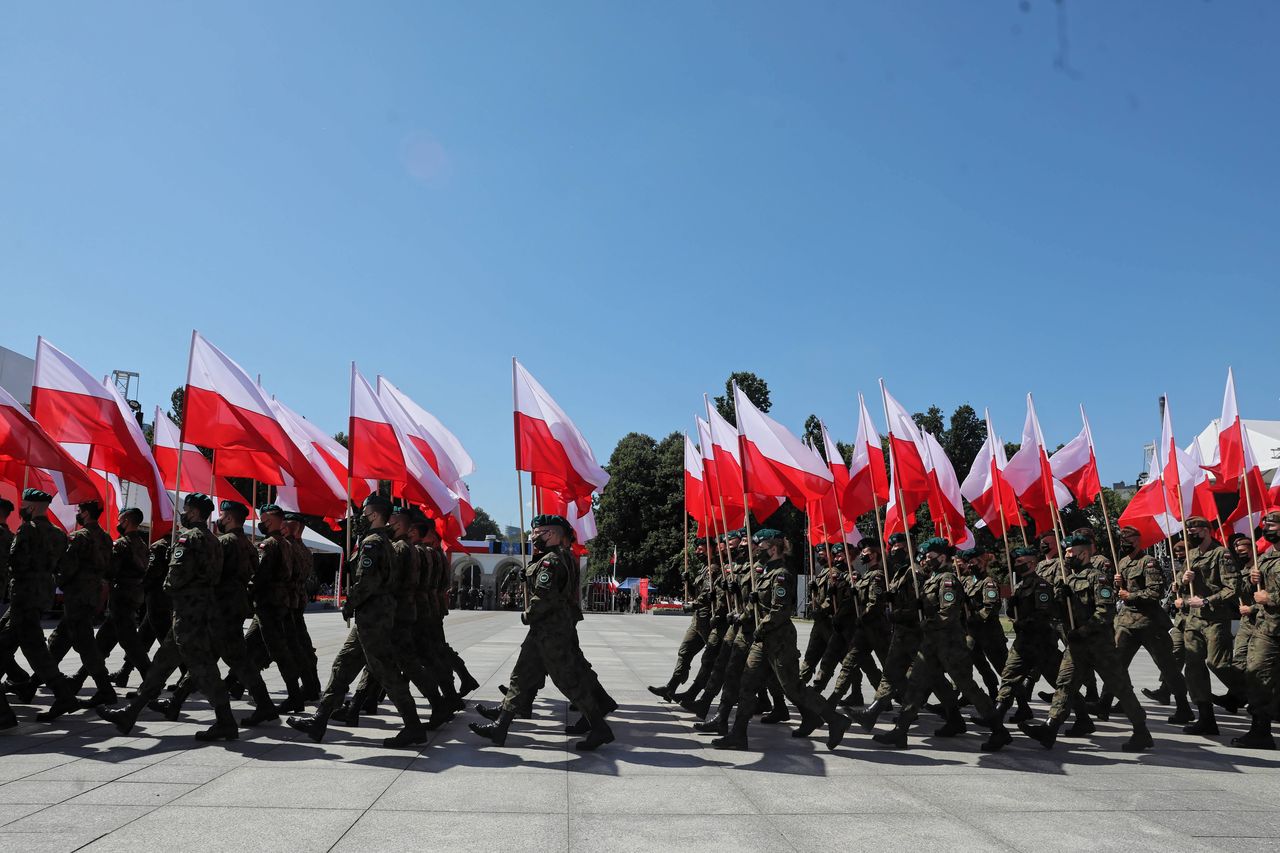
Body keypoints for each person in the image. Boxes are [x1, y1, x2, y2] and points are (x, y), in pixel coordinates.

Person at [97, 493, 241, 741]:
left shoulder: (188, 539)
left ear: (194, 513)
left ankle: (226, 721)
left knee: (203, 668)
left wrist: (168, 588)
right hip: (201, 609)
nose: (183, 514)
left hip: (187, 611)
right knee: (161, 665)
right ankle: (130, 714)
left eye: (186, 510)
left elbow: (174, 578)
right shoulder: (214, 541)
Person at [287, 494, 427, 747]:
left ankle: (414, 727)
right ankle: (319, 721)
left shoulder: (373, 542)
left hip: (373, 614)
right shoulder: (383, 541)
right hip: (373, 613)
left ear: (374, 515)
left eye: (364, 513)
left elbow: (368, 582)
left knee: (385, 671)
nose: (360, 517)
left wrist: (350, 603)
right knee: (343, 666)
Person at [469, 514, 613, 751]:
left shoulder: (551, 562)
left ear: (553, 534)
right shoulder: (556, 558)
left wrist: (528, 614)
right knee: (521, 676)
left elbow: (544, 596)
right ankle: (500, 726)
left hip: (549, 629)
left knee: (568, 681)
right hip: (547, 630)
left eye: (538, 532)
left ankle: (599, 727)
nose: (532, 536)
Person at [712, 528, 850, 751]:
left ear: (773, 548)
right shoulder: (766, 573)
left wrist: (761, 626)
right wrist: (742, 616)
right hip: (762, 638)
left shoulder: (781, 575)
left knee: (793, 688)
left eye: (760, 548)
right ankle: (738, 734)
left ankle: (835, 720)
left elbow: (780, 610)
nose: (756, 551)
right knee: (747, 684)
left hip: (779, 639)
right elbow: (756, 607)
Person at [1019, 533, 1151, 752]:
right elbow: (1060, 613)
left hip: (1099, 645)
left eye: (1070, 552)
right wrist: (1058, 600)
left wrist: (1084, 630)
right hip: (1077, 644)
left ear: (1082, 553)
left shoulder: (1097, 578)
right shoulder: (1069, 580)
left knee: (1120, 688)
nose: (1067, 555)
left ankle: (1141, 730)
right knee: (1065, 684)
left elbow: (1105, 612)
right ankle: (1050, 728)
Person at [869, 538, 1003, 749]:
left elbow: (948, 613)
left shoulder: (947, 579)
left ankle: (999, 730)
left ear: (942, 557)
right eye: (925, 557)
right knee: (915, 684)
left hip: (950, 644)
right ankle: (900, 731)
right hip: (931, 643)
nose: (926, 560)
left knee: (968, 688)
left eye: (930, 557)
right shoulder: (933, 579)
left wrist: (925, 623)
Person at [0, 490, 79, 723]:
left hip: (24, 593)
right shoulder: (58, 534)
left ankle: (61, 695)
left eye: (24, 504)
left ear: (32, 507)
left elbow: (16, 561)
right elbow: (62, 565)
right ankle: (26, 686)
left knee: (32, 648)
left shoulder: (27, 530)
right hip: (41, 593)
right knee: (20, 644)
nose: (22, 508)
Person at [1176, 515, 1246, 736]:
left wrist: (1207, 600)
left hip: (1217, 618)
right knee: (1194, 667)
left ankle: (1250, 694)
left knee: (1217, 663)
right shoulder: (1191, 554)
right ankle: (1206, 718)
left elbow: (1232, 588)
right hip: (1194, 619)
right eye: (1188, 532)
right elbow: (1177, 583)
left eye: (1194, 532)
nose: (1190, 536)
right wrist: (1183, 580)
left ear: (1206, 531)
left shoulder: (1221, 554)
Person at [1236, 511, 1280, 749]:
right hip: (1268, 628)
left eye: (1272, 525)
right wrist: (1251, 579)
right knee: (1256, 672)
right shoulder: (1264, 557)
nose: (1267, 529)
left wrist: (1270, 597)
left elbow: (1267, 596)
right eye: (1265, 525)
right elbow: (1245, 591)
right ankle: (1261, 730)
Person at [650, 540, 712, 701]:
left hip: (709, 620)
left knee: (714, 660)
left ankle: (751, 696)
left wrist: (691, 606)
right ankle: (671, 687)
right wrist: (689, 584)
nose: (697, 551)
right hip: (698, 619)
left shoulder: (715, 569)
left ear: (710, 548)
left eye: (700, 548)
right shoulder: (703, 569)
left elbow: (707, 596)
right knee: (685, 652)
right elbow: (698, 594)